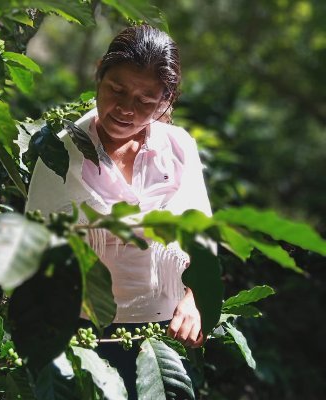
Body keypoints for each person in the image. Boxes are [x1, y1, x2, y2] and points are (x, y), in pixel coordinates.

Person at [25, 24, 213, 398]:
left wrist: (196, 302)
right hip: (79, 336)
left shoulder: (179, 148)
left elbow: (202, 236)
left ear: (166, 100)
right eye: (117, 90)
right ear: (99, 74)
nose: (126, 109)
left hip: (165, 338)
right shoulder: (60, 154)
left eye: (146, 100)